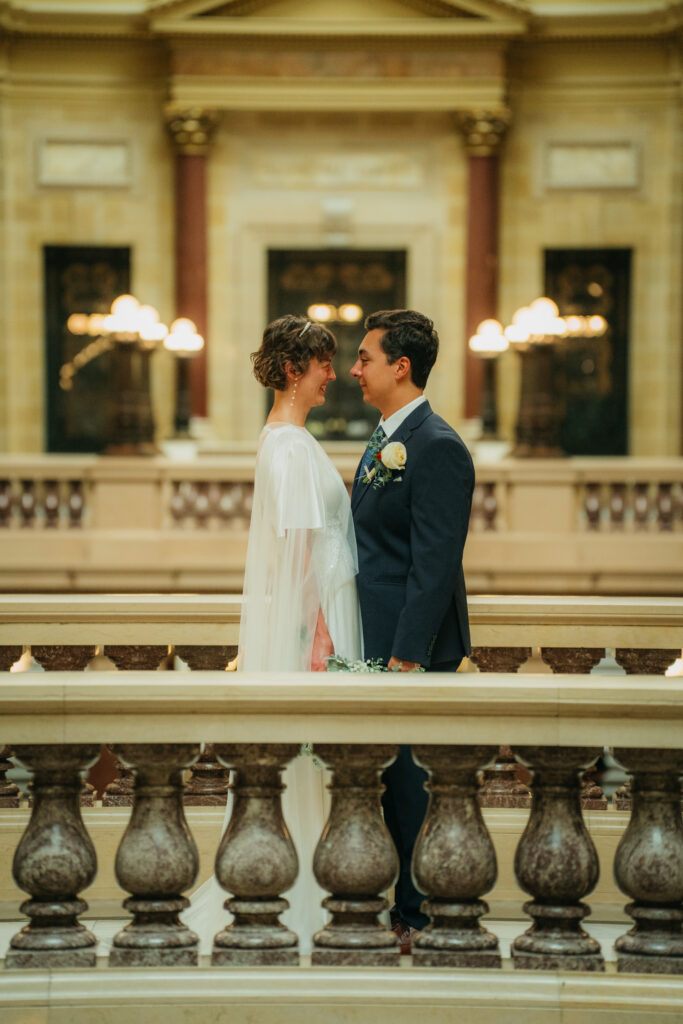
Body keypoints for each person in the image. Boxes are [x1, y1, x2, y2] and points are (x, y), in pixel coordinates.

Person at [185, 314, 363, 954]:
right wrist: (318, 644)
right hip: (317, 628)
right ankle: (302, 891)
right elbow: (297, 559)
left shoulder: (292, 441)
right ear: (295, 369)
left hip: (326, 617)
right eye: (324, 364)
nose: (333, 376)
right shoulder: (287, 448)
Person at [350, 308, 474, 952]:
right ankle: (394, 905)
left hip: (408, 648)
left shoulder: (437, 445)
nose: (354, 369)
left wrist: (405, 656)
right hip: (377, 642)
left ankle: (418, 915)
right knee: (387, 781)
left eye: (365, 357)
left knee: (409, 785)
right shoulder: (386, 436)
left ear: (401, 366)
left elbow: (434, 564)